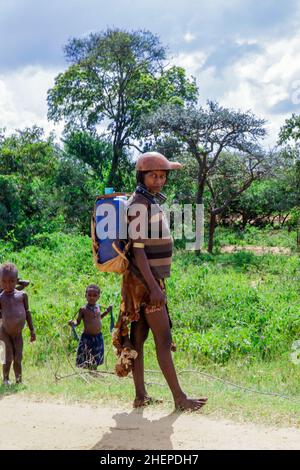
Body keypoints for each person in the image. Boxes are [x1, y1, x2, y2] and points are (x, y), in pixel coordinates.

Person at [112, 152, 208, 411]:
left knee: (139, 336)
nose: (159, 180)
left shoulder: (147, 200)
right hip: (146, 284)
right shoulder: (140, 204)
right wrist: (154, 288)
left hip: (144, 281)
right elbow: (139, 251)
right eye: (153, 175)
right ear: (142, 176)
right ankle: (180, 398)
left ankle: (140, 395)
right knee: (163, 340)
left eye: (163, 175)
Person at [0, 262, 36, 385]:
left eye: (11, 281)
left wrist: (32, 330)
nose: (7, 284)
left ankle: (19, 380)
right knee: (8, 356)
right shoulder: (1, 298)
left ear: (16, 281)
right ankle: (5, 379)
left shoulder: (22, 295)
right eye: (3, 281)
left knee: (18, 357)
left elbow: (28, 312)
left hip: (18, 333)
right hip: (4, 332)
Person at [69, 284, 112, 370]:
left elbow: (100, 317)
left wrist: (107, 311)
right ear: (85, 296)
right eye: (89, 295)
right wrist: (72, 323)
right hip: (87, 337)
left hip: (98, 337)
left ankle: (93, 372)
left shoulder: (98, 307)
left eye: (94, 295)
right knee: (86, 356)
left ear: (98, 297)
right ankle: (86, 374)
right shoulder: (83, 309)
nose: (92, 297)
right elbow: (77, 322)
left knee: (96, 356)